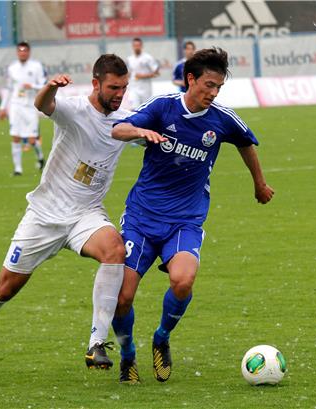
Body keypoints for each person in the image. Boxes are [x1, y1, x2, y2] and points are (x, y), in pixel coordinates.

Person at [0, 54, 132, 382]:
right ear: (96, 84)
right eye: (113, 87)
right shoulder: (74, 109)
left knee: (114, 249)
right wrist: (49, 87)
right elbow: (43, 105)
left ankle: (96, 342)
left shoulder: (124, 120)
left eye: (124, 88)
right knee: (5, 289)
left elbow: (154, 130)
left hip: (85, 216)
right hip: (44, 216)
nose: (119, 94)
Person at [111, 48, 274, 384]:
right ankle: (127, 354)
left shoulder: (222, 118)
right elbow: (119, 129)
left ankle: (161, 337)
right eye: (208, 85)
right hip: (142, 217)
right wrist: (141, 132)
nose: (213, 93)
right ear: (191, 79)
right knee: (122, 297)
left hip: (186, 219)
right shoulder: (163, 107)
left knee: (183, 281)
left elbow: (246, 142)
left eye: (218, 88)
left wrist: (259, 183)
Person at [0, 42, 47, 175]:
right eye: (20, 51)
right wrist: (3, 107)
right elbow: (9, 88)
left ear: (29, 52)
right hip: (15, 105)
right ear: (17, 53)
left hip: (30, 106)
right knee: (15, 137)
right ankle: (17, 169)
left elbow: (44, 85)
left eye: (25, 51)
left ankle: (40, 158)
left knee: (32, 139)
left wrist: (31, 85)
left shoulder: (36, 66)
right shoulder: (12, 68)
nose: (22, 53)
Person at [126, 37, 159, 109]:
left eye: (138, 45)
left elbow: (156, 73)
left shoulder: (148, 58)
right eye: (135, 46)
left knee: (146, 109)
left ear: (142, 46)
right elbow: (128, 74)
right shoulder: (129, 59)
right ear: (132, 47)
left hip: (146, 89)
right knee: (134, 109)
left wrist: (143, 76)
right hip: (133, 88)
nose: (137, 47)